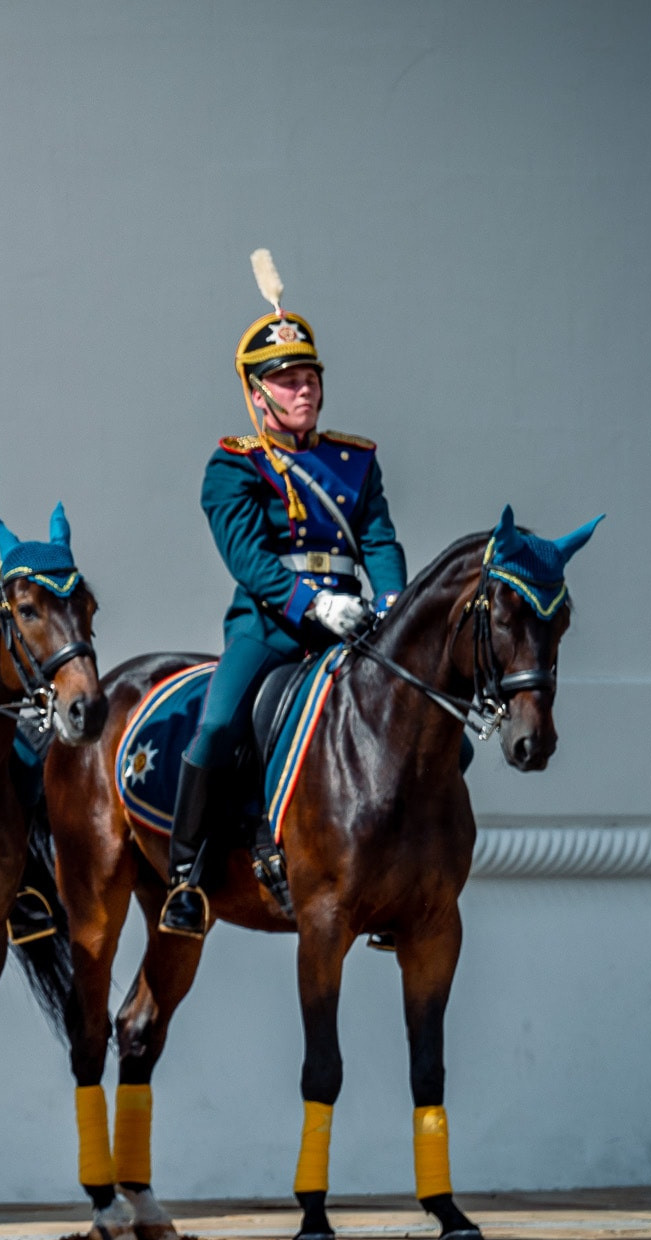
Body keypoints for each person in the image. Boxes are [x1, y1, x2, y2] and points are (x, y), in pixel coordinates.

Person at [161, 252, 408, 938]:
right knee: (218, 725)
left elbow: (379, 539)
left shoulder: (355, 460)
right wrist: (312, 604)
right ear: (257, 393)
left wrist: (392, 604)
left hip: (354, 623)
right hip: (271, 626)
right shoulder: (233, 464)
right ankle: (185, 875)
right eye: (287, 381)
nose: (303, 391)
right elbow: (248, 559)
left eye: (310, 379)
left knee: (427, 722)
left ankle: (403, 871)